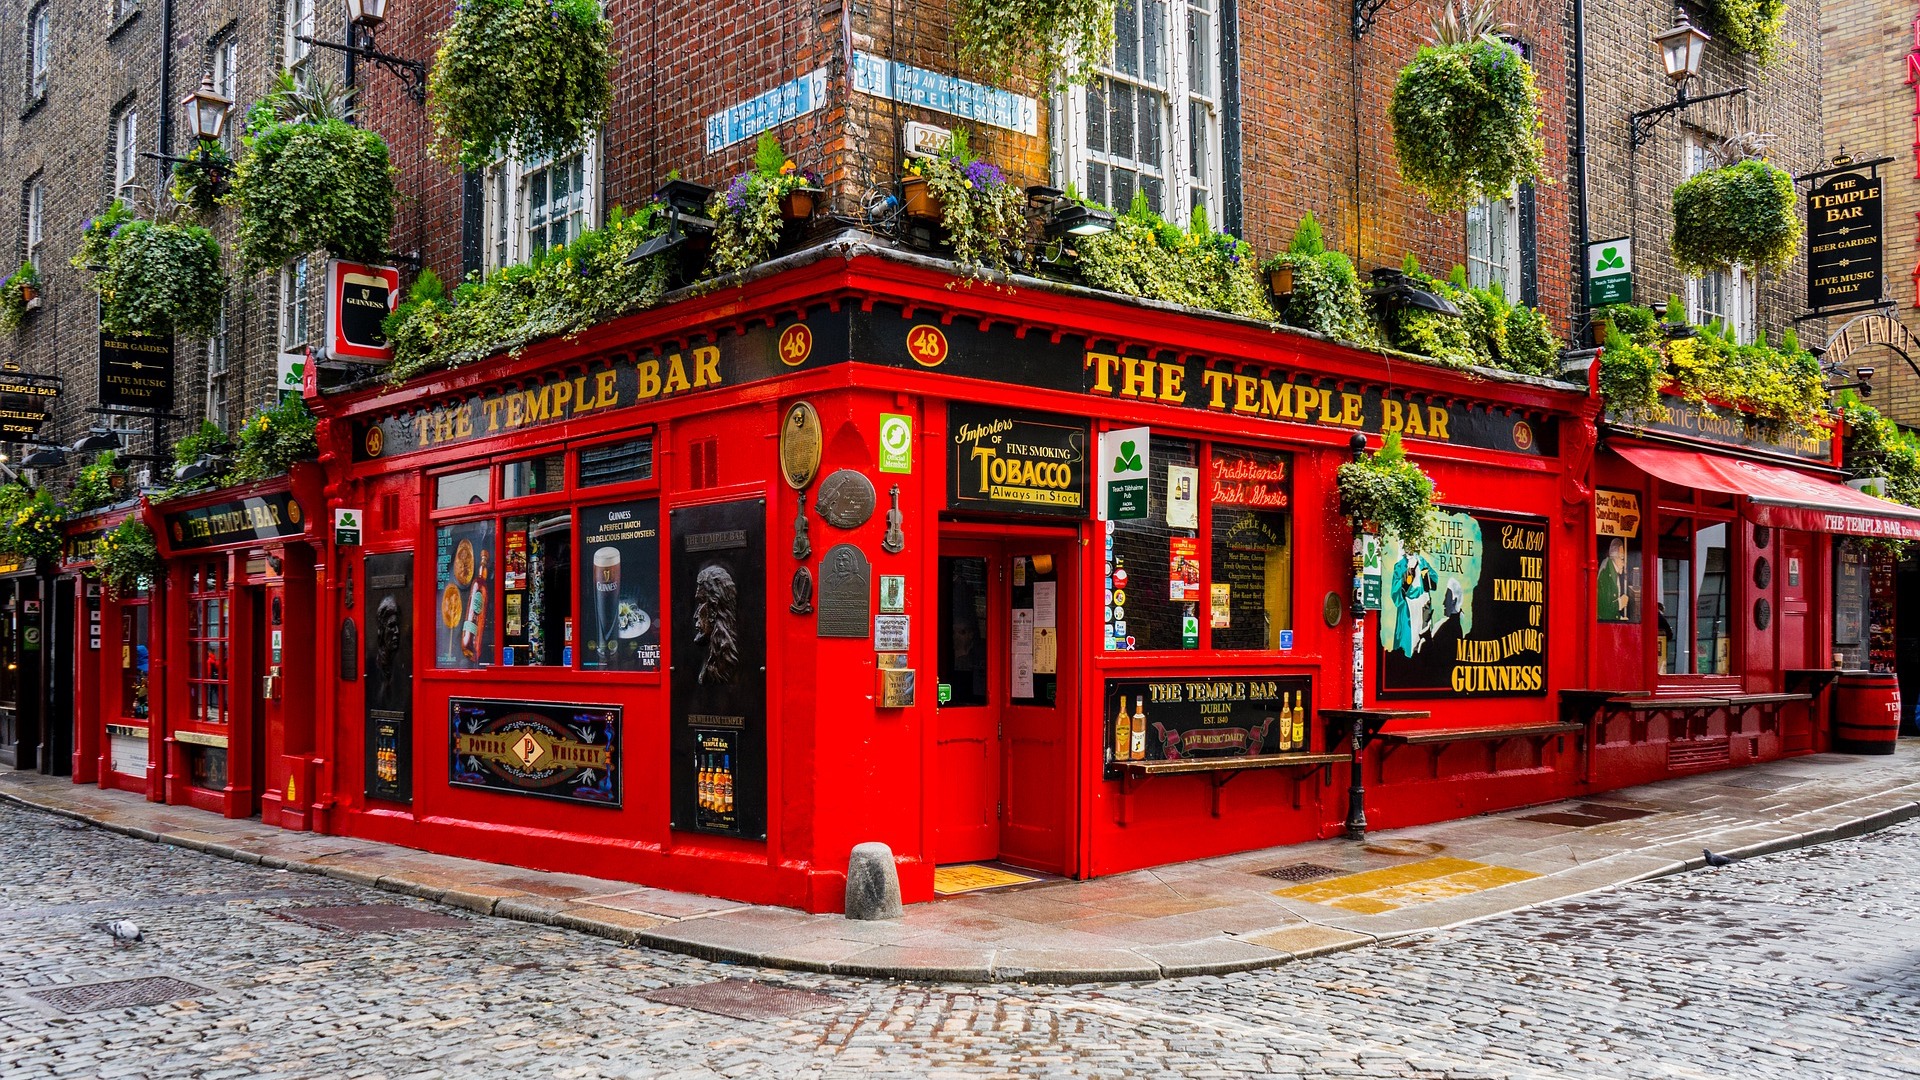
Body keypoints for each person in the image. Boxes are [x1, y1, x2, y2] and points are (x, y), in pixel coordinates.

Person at [1389, 546, 1439, 657]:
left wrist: (1427, 578)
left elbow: (1433, 580)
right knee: (1407, 641)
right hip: (1408, 607)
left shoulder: (1422, 561)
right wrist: (1405, 582)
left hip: (1422, 604)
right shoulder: (1400, 565)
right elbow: (1395, 593)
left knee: (1423, 638)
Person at [1597, 537, 1632, 623]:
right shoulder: (1606, 574)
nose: (1624, 563)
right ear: (1615, 557)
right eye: (1622, 559)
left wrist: (1619, 618)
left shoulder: (1612, 571)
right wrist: (1621, 603)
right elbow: (1603, 610)